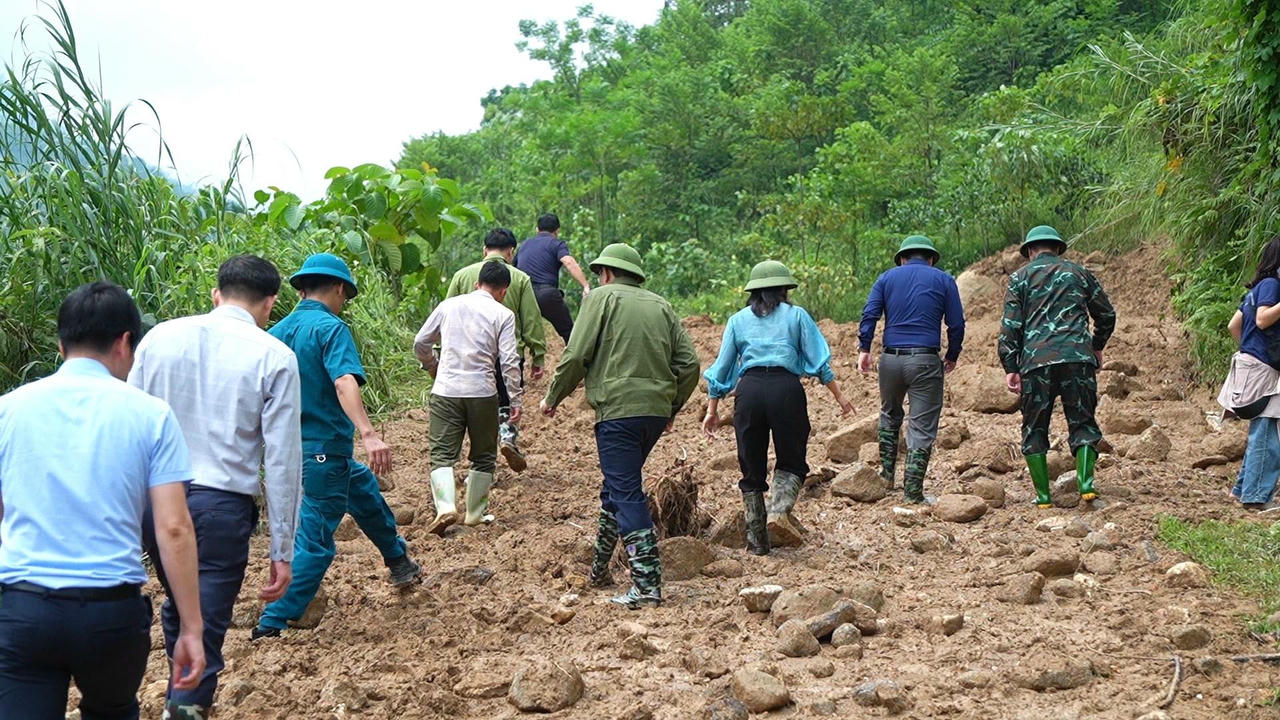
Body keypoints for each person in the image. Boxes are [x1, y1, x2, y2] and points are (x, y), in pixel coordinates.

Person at [0, 282, 205, 719]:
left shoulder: (8, 410)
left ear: (60, 343)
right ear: (125, 341)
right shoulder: (151, 415)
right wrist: (191, 626)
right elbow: (173, 527)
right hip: (110, 614)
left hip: (24, 609)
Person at [128, 255, 302, 719]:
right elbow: (283, 458)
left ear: (216, 294)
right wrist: (282, 547)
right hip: (221, 508)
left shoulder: (159, 338)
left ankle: (176, 699)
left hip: (155, 505)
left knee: (183, 610)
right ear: (270, 304)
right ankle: (184, 708)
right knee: (201, 624)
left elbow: (132, 426)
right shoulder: (274, 356)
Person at [253, 253, 420, 639]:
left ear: (301, 289)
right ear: (340, 289)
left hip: (290, 452)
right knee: (315, 541)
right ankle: (273, 621)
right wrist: (369, 433)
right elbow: (344, 382)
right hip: (323, 449)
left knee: (361, 486)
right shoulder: (331, 329)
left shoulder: (275, 334)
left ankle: (398, 559)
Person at [541, 243, 700, 609]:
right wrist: (672, 406)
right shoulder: (661, 304)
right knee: (616, 485)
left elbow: (577, 354)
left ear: (606, 273)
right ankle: (599, 570)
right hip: (655, 413)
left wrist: (553, 396)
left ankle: (646, 585)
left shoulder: (599, 298)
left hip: (618, 411)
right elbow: (690, 364)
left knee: (626, 491)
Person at [703, 261, 855, 554]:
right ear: (784, 289)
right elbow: (819, 362)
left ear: (753, 292)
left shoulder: (737, 320)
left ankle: (757, 542)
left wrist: (712, 410)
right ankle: (777, 511)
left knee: (751, 462)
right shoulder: (797, 316)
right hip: (786, 390)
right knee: (792, 458)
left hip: (749, 391)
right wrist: (839, 396)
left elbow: (721, 370)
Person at [998, 226, 1115, 508]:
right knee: (1083, 421)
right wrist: (1096, 346)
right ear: (1057, 248)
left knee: (1035, 427)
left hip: (1036, 363)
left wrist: (1010, 365)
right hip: (1077, 358)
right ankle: (1086, 483)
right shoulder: (1079, 273)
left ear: (1029, 251)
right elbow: (1106, 314)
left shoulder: (1019, 278)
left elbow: (1010, 327)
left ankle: (1043, 496)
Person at [858, 235, 966, 504]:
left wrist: (864, 349)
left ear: (903, 258)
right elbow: (956, 324)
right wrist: (952, 354)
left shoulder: (886, 278)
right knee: (921, 424)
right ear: (930, 259)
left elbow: (869, 314)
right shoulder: (944, 280)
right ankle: (913, 493)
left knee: (889, 412)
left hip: (890, 360)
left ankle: (886, 476)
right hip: (925, 360)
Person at [416, 262, 523, 532]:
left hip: (446, 390)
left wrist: (432, 365)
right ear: (503, 291)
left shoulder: (449, 305)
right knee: (484, 455)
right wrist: (515, 399)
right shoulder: (503, 314)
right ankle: (475, 513)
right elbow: (510, 361)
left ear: (478, 284)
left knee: (441, 454)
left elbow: (421, 342)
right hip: (483, 392)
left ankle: (446, 507)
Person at [444, 228, 546, 473]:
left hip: (469, 356)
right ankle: (508, 437)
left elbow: (447, 314)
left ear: (484, 249)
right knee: (506, 400)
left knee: (475, 405)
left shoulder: (461, 275)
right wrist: (538, 354)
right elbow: (530, 319)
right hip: (508, 354)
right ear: (511, 252)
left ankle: (474, 459)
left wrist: (440, 351)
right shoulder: (519, 278)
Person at [1219, 236, 1280, 510]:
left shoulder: (1256, 289)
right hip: (1262, 368)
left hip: (1250, 365)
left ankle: (1242, 489)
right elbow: (1263, 319)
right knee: (1266, 431)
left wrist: (1249, 349)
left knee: (1260, 430)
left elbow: (1235, 325)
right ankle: (1255, 497)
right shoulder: (1272, 285)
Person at [515, 213, 591, 344]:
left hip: (524, 295)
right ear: (557, 231)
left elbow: (513, 268)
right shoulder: (556, 244)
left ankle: (517, 363)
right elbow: (568, 262)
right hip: (546, 295)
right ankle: (579, 361)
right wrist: (585, 285)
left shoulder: (525, 244)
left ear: (537, 229)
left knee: (517, 337)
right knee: (569, 332)